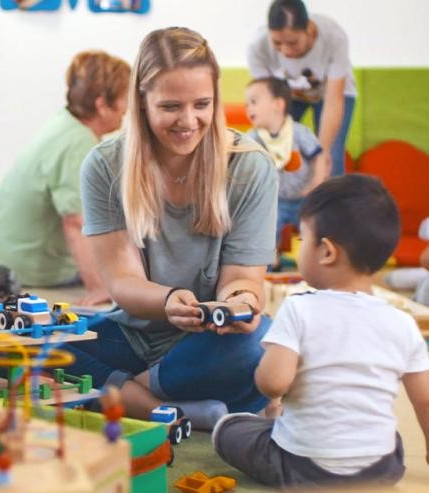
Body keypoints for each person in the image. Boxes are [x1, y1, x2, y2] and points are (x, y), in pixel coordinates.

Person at [64, 27, 278, 427]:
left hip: (212, 344)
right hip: (134, 334)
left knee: (263, 344)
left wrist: (239, 303)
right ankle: (164, 406)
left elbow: (244, 280)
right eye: (171, 107)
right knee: (31, 347)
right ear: (142, 102)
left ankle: (127, 395)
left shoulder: (250, 166)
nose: (189, 121)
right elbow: (123, 282)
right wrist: (169, 300)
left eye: (202, 104)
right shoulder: (104, 165)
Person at [213, 174, 429, 488]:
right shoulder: (403, 323)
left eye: (302, 238)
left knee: (228, 429)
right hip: (381, 465)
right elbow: (424, 400)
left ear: (326, 252)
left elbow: (273, 384)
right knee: (386, 431)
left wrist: (267, 371)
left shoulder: (300, 308)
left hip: (304, 467)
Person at [0, 50, 131, 306]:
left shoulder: (67, 124)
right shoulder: (79, 143)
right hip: (36, 264)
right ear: (102, 104)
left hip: (14, 252)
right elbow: (76, 223)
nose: (127, 108)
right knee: (133, 256)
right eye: (124, 98)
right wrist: (99, 286)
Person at [248, 0, 356, 177]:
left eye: (293, 43)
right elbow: (266, 100)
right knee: (272, 147)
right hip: (287, 97)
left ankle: (331, 202)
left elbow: (334, 101)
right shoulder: (257, 46)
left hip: (331, 95)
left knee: (331, 157)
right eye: (277, 43)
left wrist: (323, 153)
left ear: (309, 29)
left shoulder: (333, 37)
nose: (286, 51)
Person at [245, 76, 328, 268]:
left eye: (254, 102)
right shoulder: (254, 137)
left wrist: (316, 183)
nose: (248, 108)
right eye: (247, 103)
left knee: (312, 230)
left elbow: (319, 156)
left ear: (278, 104)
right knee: (266, 228)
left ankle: (316, 263)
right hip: (275, 199)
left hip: (303, 198)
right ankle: (269, 263)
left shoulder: (298, 133)